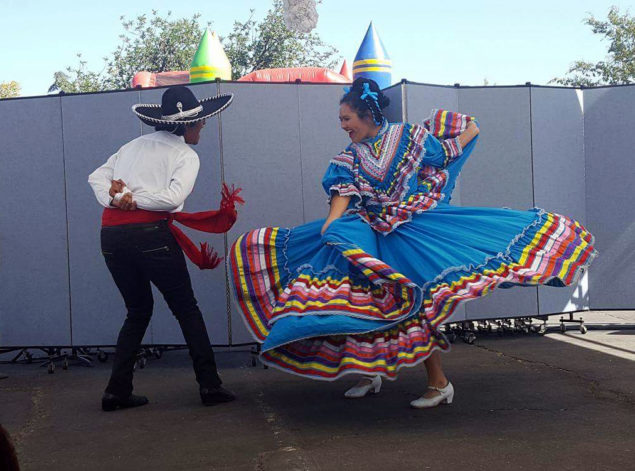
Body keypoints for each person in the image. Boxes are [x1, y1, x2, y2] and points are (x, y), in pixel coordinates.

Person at [229, 78, 597, 408]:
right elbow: (342, 193)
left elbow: (446, 154)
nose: (343, 126)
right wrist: (329, 228)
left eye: (346, 119)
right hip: (368, 234)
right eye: (341, 121)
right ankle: (369, 373)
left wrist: (470, 130)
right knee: (364, 303)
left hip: (411, 231)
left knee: (414, 301)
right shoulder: (348, 156)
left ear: (367, 113)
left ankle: (439, 383)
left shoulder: (410, 137)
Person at [89, 86, 243, 411]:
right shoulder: (186, 154)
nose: (202, 127)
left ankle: (116, 391)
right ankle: (210, 386)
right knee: (186, 308)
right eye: (199, 122)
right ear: (186, 125)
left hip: (112, 237)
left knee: (137, 310)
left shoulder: (131, 147)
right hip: (150, 236)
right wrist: (133, 201)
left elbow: (96, 178)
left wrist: (118, 198)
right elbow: (173, 199)